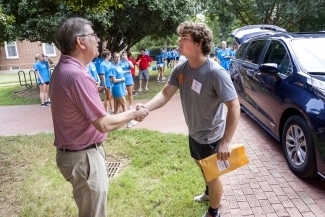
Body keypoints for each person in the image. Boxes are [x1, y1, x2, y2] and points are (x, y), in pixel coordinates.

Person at [136, 21, 240, 217]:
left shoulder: (215, 72)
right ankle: (209, 194)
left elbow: (234, 106)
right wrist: (147, 107)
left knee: (213, 175)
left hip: (212, 135)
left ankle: (213, 212)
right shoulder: (181, 68)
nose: (179, 42)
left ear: (199, 43)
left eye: (184, 38)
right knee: (200, 165)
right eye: (180, 38)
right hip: (194, 131)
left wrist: (226, 142)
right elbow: (166, 93)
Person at [50, 17, 149, 217]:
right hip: (84, 158)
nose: (98, 40)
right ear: (80, 42)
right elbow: (103, 123)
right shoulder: (77, 75)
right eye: (93, 35)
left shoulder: (65, 69)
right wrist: (134, 112)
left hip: (78, 156)